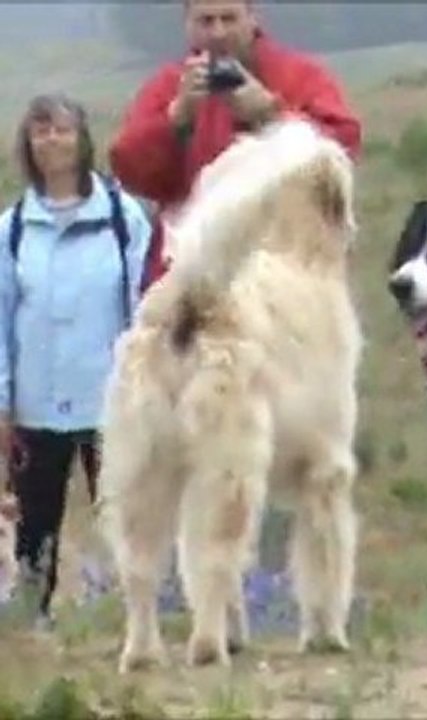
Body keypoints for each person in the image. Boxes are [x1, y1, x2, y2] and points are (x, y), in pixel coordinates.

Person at [0, 94, 153, 625]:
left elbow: (144, 305)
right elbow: (0, 323)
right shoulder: (13, 227)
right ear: (28, 144)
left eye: (62, 130)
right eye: (40, 132)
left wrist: (148, 386)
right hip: (36, 405)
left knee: (127, 517)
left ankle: (139, 620)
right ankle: (29, 622)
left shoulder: (121, 217)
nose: (52, 142)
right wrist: (3, 404)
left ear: (83, 138)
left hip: (111, 400)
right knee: (34, 525)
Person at [109, 0, 363, 289]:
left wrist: (272, 115)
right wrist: (176, 119)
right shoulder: (168, 85)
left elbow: (343, 147)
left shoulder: (300, 75)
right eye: (206, 21)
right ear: (187, 25)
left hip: (285, 268)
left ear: (253, 17)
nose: (218, 33)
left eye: (229, 19)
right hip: (190, 272)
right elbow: (129, 170)